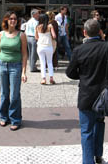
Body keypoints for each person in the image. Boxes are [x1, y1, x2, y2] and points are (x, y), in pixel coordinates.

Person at [66, 19, 108, 164]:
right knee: (100, 124)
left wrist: (83, 76)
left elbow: (70, 73)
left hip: (86, 95)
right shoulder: (106, 47)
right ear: (100, 32)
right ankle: (98, 155)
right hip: (103, 95)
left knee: (86, 130)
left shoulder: (79, 50)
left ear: (84, 32)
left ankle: (87, 161)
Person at [0, 11, 27, 131]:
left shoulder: (21, 35)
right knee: (4, 94)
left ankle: (15, 119)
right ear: (6, 20)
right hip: (2, 66)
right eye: (11, 18)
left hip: (15, 67)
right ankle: (4, 117)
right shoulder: (1, 34)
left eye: (15, 19)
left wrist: (24, 72)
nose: (13, 21)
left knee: (14, 95)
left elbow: (24, 55)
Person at [35, 14, 56, 85]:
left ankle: (43, 79)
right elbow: (54, 36)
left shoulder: (37, 27)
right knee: (50, 62)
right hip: (48, 46)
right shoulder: (50, 26)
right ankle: (51, 78)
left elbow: (36, 37)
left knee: (42, 62)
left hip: (40, 46)